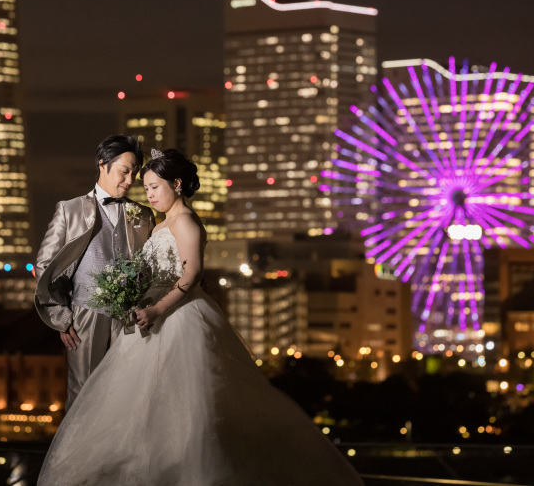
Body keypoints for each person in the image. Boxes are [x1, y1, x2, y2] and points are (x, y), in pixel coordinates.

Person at [38, 149, 364, 486]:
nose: (148, 194)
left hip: (176, 316)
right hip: (146, 319)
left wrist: (156, 309)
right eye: (146, 188)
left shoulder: (187, 221)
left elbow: (191, 276)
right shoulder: (158, 223)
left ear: (176, 184)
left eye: (154, 187)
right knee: (136, 408)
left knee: (187, 405)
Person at [34, 135, 155, 410]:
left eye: (134, 172)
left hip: (130, 319)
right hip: (84, 317)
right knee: (83, 398)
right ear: (103, 164)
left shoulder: (143, 215)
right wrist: (61, 318)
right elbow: (45, 266)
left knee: (127, 398)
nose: (130, 179)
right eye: (125, 170)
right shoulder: (70, 210)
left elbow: (149, 268)